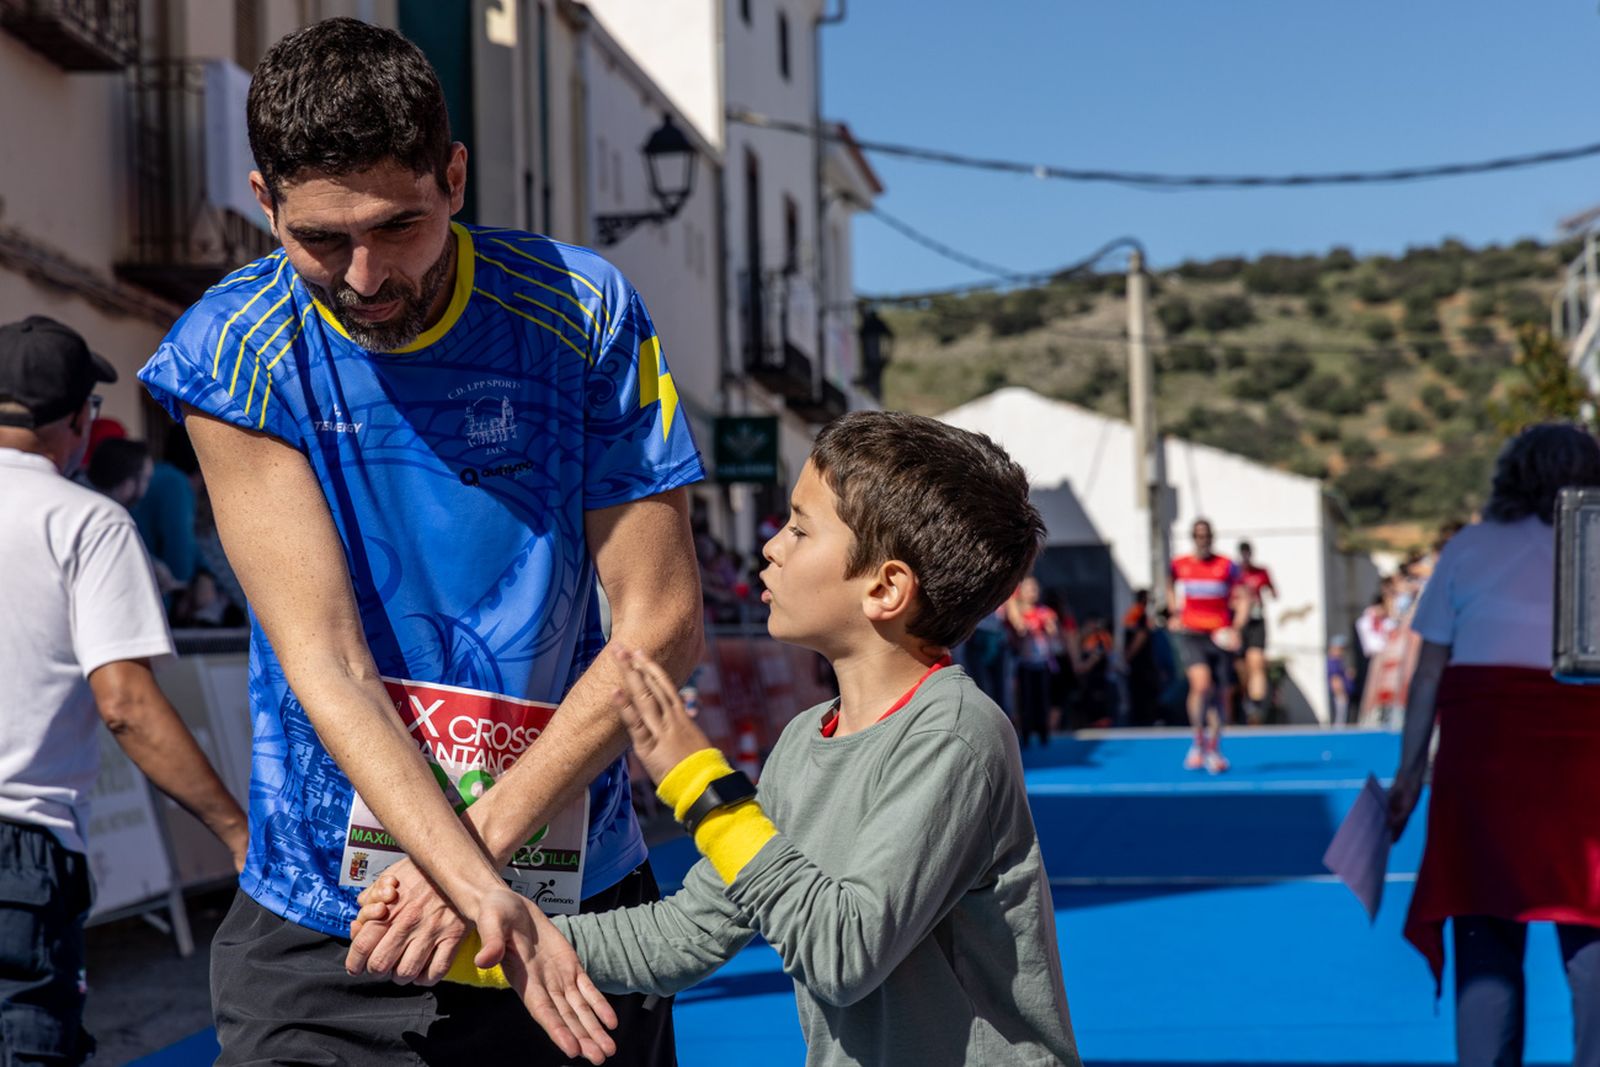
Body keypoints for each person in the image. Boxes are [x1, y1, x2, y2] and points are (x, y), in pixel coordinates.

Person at [138, 20, 704, 1065]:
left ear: (453, 176)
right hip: (332, 917)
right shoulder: (230, 350)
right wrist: (459, 870)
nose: (364, 276)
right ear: (265, 203)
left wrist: (474, 855)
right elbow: (328, 660)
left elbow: (661, 628)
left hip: (563, 891)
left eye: (398, 226)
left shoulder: (581, 311)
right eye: (320, 239)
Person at [360, 411, 1081, 1066]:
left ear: (885, 590)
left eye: (800, 528)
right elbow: (688, 933)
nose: (770, 545)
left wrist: (698, 780)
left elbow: (843, 950)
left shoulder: (957, 737)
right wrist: (475, 944)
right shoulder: (805, 740)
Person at [0, 316, 249, 1064]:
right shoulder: (87, 521)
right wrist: (236, 830)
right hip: (19, 842)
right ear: (80, 419)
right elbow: (128, 705)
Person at [1388, 423, 1600, 1067]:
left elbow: (1428, 673)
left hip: (1485, 764)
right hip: (1586, 760)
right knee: (1593, 926)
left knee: (1485, 931)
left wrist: (1406, 781)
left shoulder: (1469, 548)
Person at [1167, 518, 1246, 773]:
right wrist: (1174, 612)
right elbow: (1168, 585)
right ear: (1193, 537)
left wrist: (1236, 628)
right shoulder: (1180, 564)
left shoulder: (1226, 566)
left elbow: (1244, 596)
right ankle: (1197, 741)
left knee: (1219, 695)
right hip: (1192, 633)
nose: (1203, 539)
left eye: (1207, 535)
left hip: (1219, 634)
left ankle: (1214, 748)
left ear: (1212, 537)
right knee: (1201, 685)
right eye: (1198, 535)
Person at [1006, 576, 1061, 748]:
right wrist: (1024, 629)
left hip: (1042, 662)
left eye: (1035, 589)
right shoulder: (1018, 613)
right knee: (1026, 700)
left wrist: (1047, 626)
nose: (1032, 593)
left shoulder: (1044, 612)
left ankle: (1044, 732)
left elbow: (1054, 633)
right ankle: (1027, 733)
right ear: (1021, 593)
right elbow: (1017, 632)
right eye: (1028, 589)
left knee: (1042, 698)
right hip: (1025, 663)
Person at [1234, 540, 1277, 723]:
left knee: (1256, 662)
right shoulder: (1234, 573)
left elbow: (1274, 593)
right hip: (1237, 623)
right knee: (1241, 668)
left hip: (1256, 622)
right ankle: (1242, 700)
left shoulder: (1261, 572)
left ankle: (1256, 708)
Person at [1123, 590, 1161, 727]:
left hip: (1140, 663)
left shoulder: (1133, 614)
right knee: (1143, 692)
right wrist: (1128, 656)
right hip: (1141, 663)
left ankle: (1143, 718)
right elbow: (1141, 636)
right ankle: (1144, 719)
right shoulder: (1139, 614)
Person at [85, 436, 154, 509]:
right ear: (127, 482)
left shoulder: (83, 502)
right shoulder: (109, 515)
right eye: (146, 479)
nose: (143, 493)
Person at [1327, 634, 1354, 727]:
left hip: (1342, 693)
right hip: (1340, 694)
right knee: (1340, 719)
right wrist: (1340, 693)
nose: (1343, 652)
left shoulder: (1338, 661)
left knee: (1342, 717)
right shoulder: (1333, 662)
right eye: (1341, 649)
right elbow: (1335, 680)